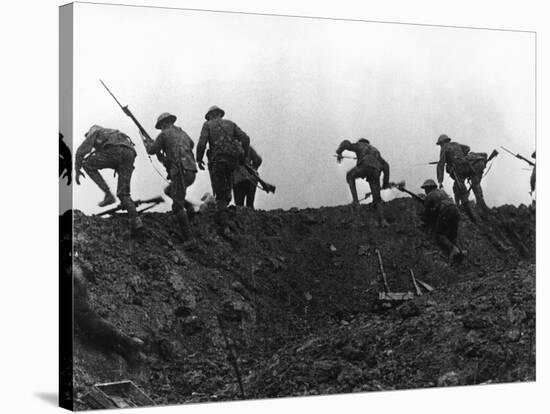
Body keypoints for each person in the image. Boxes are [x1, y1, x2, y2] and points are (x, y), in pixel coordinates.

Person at [75, 125, 142, 232]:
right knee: (123, 193)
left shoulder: (94, 130)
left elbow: (81, 151)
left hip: (115, 151)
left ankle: (108, 195)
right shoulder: (114, 133)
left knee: (87, 164)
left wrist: (77, 169)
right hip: (129, 153)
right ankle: (135, 219)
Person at [143, 113, 197, 240]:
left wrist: (147, 143)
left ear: (164, 124)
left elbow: (151, 150)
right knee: (169, 190)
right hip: (190, 171)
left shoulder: (164, 134)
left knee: (177, 206)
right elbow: (191, 144)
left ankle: (189, 239)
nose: (161, 128)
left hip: (180, 172)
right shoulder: (183, 133)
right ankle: (189, 208)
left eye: (161, 126)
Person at [196, 106, 251, 208]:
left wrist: (199, 159)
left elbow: (202, 143)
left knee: (220, 192)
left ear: (210, 116)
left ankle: (221, 217)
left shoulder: (208, 125)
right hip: (232, 162)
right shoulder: (231, 124)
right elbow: (246, 139)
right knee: (227, 189)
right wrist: (244, 156)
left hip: (218, 161)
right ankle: (224, 208)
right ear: (220, 114)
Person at [335, 138, 390, 226]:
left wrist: (339, 152)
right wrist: (385, 183)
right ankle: (383, 220)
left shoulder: (360, 145)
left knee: (350, 175)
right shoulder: (376, 151)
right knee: (377, 198)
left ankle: (356, 201)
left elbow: (346, 143)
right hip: (376, 170)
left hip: (366, 166)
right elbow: (386, 166)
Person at [436, 134, 490, 217]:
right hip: (468, 166)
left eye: (440, 144)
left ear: (442, 142)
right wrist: (460, 156)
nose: (440, 146)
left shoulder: (444, 148)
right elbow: (467, 148)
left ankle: (468, 212)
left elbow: (440, 165)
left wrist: (440, 181)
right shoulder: (456, 144)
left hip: (459, 169)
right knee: (476, 186)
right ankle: (482, 206)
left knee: (461, 189)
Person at [420, 179, 463, 263]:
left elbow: (426, 213)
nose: (425, 191)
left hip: (446, 211)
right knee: (452, 235)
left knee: (439, 234)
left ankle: (453, 250)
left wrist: (424, 222)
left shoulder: (430, 195)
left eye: (425, 189)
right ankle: (460, 253)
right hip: (455, 210)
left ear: (429, 188)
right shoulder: (442, 192)